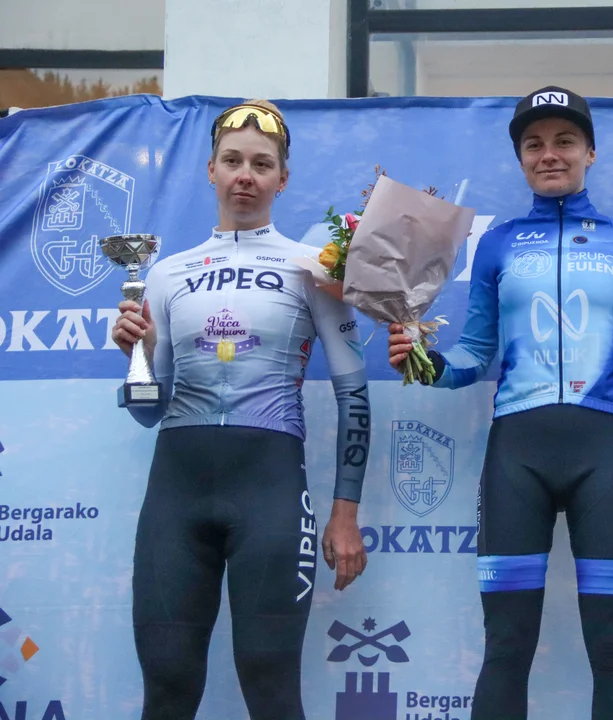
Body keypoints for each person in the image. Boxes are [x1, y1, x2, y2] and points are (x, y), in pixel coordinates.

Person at [387, 86, 613, 720]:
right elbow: (474, 354)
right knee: (505, 647)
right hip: (516, 454)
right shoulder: (497, 244)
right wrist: (425, 362)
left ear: (590, 152)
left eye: (565, 141)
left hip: (606, 452)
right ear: (521, 158)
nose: (549, 154)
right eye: (534, 144)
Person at [110, 100, 371, 720]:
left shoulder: (315, 270)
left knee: (272, 689)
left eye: (261, 163)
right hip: (176, 495)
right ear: (211, 170)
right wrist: (139, 357)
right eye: (232, 161)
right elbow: (149, 412)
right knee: (167, 690)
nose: (245, 176)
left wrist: (345, 515)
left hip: (270, 493)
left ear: (283, 178)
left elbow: (355, 395)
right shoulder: (166, 274)